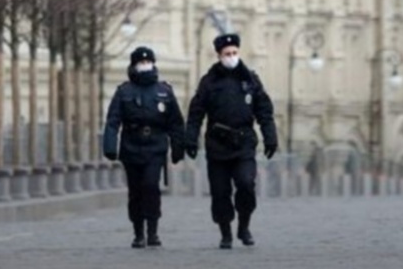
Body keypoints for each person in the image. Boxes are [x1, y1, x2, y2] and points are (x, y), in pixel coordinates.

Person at [185, 32, 277, 249]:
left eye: (235, 52)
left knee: (246, 184)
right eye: (227, 54)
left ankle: (244, 225)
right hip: (217, 145)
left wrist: (270, 137)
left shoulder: (250, 79)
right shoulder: (209, 82)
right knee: (220, 192)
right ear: (219, 56)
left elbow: (264, 111)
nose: (232, 57)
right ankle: (225, 232)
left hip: (244, 144)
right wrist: (190, 139)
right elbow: (196, 113)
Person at [103, 46, 185, 248]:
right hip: (131, 147)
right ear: (134, 65)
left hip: (155, 147)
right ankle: (138, 232)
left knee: (151, 186)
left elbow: (175, 122)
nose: (145, 65)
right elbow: (113, 121)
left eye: (148, 62)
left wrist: (178, 147)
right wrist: (110, 146)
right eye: (141, 62)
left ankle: (153, 231)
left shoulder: (164, 91)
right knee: (136, 191)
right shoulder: (124, 91)